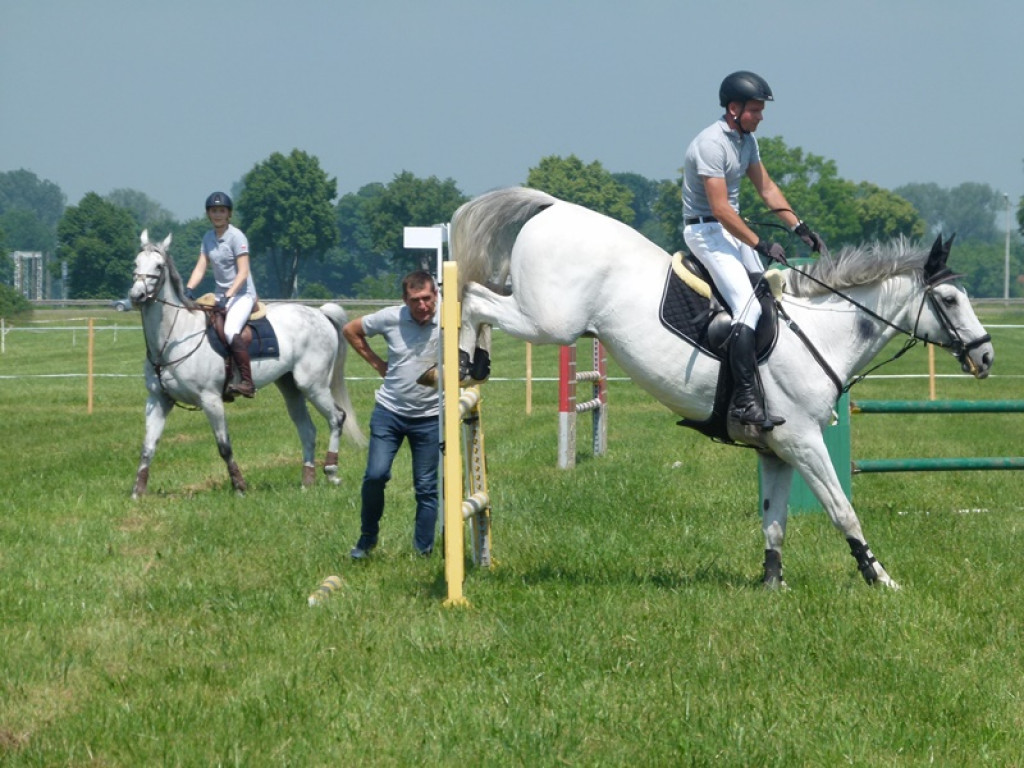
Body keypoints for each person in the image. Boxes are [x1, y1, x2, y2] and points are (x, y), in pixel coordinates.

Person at [682, 70, 826, 430]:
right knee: (746, 309)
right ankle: (744, 403)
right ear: (734, 109)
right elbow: (720, 210)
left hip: (730, 230)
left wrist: (799, 226)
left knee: (767, 299)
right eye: (755, 110)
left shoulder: (746, 142)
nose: (761, 116)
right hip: (707, 233)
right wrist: (759, 243)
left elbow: (767, 188)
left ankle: (767, 389)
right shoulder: (710, 144)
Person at [344, 271, 440, 559]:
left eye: (427, 299)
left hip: (431, 415)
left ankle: (423, 551)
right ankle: (367, 538)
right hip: (390, 413)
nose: (422, 306)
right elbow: (351, 329)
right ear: (404, 300)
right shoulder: (390, 317)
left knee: (426, 487)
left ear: (436, 294)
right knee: (375, 475)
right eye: (415, 301)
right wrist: (377, 363)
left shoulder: (451, 317)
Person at [185, 191, 258, 398]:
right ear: (209, 214)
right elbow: (200, 268)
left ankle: (247, 382)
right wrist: (189, 289)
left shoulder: (237, 237)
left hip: (242, 294)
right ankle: (217, 376)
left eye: (222, 211)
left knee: (230, 330)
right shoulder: (208, 238)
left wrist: (229, 294)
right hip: (221, 294)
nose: (218, 215)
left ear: (229, 214)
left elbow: (243, 272)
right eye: (214, 211)